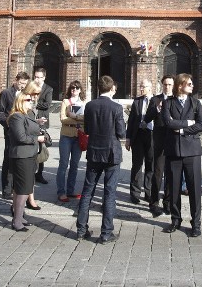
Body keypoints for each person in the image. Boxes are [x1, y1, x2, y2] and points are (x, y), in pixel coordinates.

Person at [75, 76, 126, 244]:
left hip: (95, 152)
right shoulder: (117, 108)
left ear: (98, 88)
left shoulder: (90, 105)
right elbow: (121, 133)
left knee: (88, 191)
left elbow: (87, 129)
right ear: (112, 89)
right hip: (111, 154)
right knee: (109, 193)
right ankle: (106, 233)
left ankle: (81, 230)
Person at [161, 73, 202, 237]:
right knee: (173, 188)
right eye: (189, 84)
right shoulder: (168, 103)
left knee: (194, 190)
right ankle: (175, 220)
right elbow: (168, 122)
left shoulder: (195, 103)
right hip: (174, 151)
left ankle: (196, 223)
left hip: (192, 152)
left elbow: (201, 125)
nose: (192, 86)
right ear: (180, 85)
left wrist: (180, 129)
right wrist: (188, 123)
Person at [7, 82, 47, 232]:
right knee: (23, 189)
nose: (32, 101)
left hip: (29, 155)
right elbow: (21, 137)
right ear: (20, 101)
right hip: (21, 156)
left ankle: (19, 217)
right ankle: (17, 220)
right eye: (28, 100)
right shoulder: (16, 116)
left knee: (22, 188)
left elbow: (30, 129)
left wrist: (41, 131)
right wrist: (38, 139)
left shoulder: (27, 115)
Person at [0, 72, 29, 198]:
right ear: (16, 80)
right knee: (9, 159)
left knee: (19, 160)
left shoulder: (25, 94)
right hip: (10, 131)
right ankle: (6, 189)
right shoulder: (6, 93)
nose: (22, 86)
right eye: (21, 83)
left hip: (23, 131)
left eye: (25, 84)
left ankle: (17, 187)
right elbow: (0, 112)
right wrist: (9, 124)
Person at [145, 75, 174, 217]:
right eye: (165, 84)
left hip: (174, 141)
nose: (167, 87)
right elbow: (147, 118)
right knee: (158, 172)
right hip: (160, 140)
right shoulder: (155, 99)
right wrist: (157, 108)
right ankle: (154, 202)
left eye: (170, 84)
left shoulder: (176, 100)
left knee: (171, 173)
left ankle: (168, 202)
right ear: (162, 85)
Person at [57, 80, 88, 202]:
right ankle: (61, 192)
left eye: (76, 88)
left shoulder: (84, 103)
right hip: (66, 135)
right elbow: (63, 119)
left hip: (79, 136)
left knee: (74, 165)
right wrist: (78, 120)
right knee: (63, 164)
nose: (74, 90)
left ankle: (70, 190)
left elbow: (87, 119)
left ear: (80, 90)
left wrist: (73, 116)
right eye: (72, 88)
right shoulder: (65, 102)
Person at [126, 79, 155, 206]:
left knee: (151, 165)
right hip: (138, 136)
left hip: (152, 136)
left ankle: (149, 192)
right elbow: (131, 120)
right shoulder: (137, 101)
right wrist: (128, 138)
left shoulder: (157, 101)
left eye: (143, 86)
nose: (141, 89)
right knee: (137, 165)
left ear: (150, 87)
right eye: (140, 86)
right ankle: (135, 193)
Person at [32, 67, 55, 184]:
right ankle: (30, 172)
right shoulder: (30, 87)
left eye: (40, 77)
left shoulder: (48, 89)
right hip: (31, 119)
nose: (37, 79)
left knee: (41, 149)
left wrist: (35, 102)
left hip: (42, 121)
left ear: (44, 78)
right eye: (36, 77)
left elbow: (47, 104)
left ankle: (39, 174)